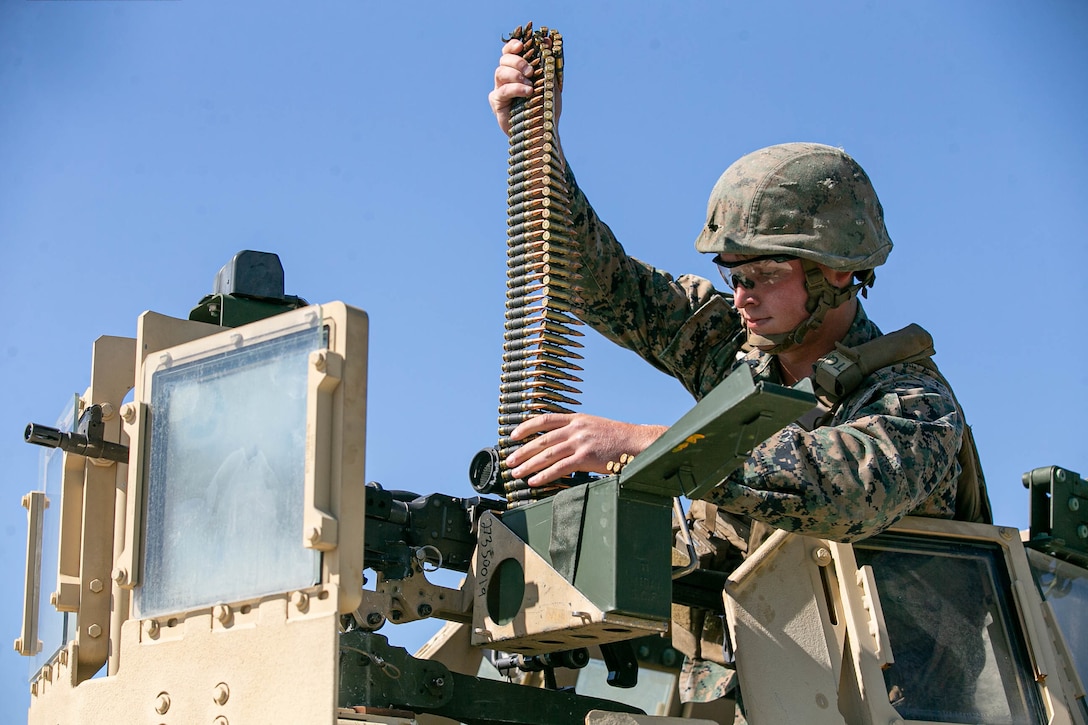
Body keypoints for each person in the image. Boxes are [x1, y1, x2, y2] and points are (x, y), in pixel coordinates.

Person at [489, 37, 991, 712]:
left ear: (837, 272)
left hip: (893, 707)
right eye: (733, 275)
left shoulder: (915, 405)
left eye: (760, 276)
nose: (741, 296)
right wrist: (535, 145)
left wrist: (645, 444)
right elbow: (600, 280)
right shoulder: (735, 346)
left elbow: (835, 485)